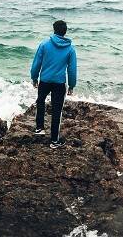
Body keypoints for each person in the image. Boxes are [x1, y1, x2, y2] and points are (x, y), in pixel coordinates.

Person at [30, 20, 77, 149]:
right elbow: (72, 70)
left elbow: (36, 64)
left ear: (54, 30)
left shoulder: (44, 44)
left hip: (44, 81)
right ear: (65, 31)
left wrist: (34, 78)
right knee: (57, 111)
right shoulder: (70, 49)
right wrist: (71, 85)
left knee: (40, 102)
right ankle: (54, 141)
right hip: (59, 84)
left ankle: (40, 128)